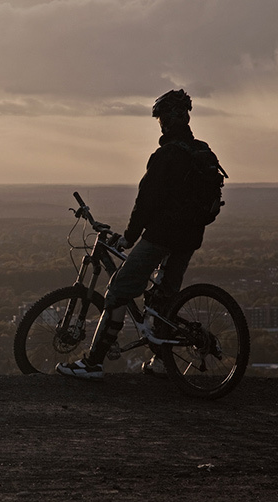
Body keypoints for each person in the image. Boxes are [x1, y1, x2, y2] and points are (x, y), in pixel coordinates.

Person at [56, 89, 211, 379]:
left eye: (161, 119)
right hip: (190, 238)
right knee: (164, 299)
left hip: (162, 236)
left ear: (166, 120)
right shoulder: (200, 152)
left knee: (118, 290)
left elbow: (145, 203)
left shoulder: (166, 156)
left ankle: (93, 363)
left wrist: (129, 236)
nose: (161, 124)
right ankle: (164, 362)